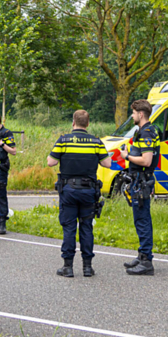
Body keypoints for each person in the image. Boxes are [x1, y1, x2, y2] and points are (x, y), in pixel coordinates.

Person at [47, 109, 111, 277]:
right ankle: (87, 267)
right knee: (86, 227)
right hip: (88, 191)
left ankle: (67, 267)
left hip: (68, 190)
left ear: (73, 122)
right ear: (88, 124)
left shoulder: (64, 140)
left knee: (69, 228)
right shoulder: (96, 142)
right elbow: (107, 163)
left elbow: (51, 162)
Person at [116, 99, 159, 276]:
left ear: (141, 114)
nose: (132, 116)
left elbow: (146, 160)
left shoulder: (147, 133)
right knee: (141, 219)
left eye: (133, 113)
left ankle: (146, 262)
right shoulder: (145, 131)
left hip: (141, 182)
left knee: (142, 220)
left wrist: (126, 157)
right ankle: (142, 255)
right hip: (139, 181)